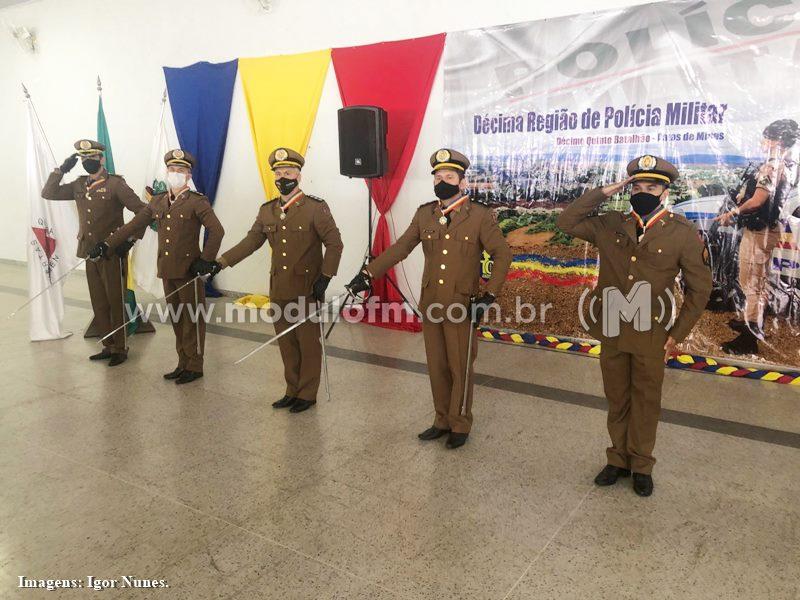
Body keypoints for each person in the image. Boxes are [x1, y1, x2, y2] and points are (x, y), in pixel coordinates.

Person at [557, 155, 711, 496]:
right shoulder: (610, 223)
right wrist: (604, 191)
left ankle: (641, 463)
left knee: (645, 399)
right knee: (617, 397)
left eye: (651, 187)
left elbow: (700, 288)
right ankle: (617, 459)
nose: (643, 192)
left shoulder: (681, 234)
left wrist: (677, 333)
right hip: (611, 326)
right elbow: (566, 221)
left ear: (665, 192)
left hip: (651, 331)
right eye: (636, 186)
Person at [348, 149, 512, 449]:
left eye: (449, 177)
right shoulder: (426, 214)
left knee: (459, 365)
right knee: (437, 364)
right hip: (432, 302)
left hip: (463, 303)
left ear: (462, 182)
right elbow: (400, 248)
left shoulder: (479, 216)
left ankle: (460, 422)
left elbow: (502, 254)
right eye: (438, 177)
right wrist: (368, 274)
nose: (442, 182)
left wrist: (489, 295)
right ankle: (441, 419)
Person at [203, 148, 343, 412]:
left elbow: (335, 244)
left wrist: (326, 276)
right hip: (278, 287)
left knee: (308, 343)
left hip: (307, 288)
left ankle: (307, 394)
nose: (283, 177)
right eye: (278, 173)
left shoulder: (315, 208)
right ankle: (292, 388)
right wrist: (221, 262)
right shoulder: (267, 210)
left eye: (288, 172)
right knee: (286, 342)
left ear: (299, 176)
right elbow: (251, 241)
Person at [91, 149, 224, 384]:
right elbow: (134, 224)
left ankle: (195, 365)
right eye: (172, 170)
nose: (175, 174)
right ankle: (183, 362)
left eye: (180, 170)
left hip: (189, 271)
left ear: (188, 175)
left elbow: (217, 230)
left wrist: (206, 259)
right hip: (167, 270)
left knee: (192, 319)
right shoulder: (159, 201)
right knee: (177, 318)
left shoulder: (196, 201)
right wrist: (107, 244)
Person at [42, 139, 146, 366]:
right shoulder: (79, 184)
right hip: (90, 251)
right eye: (83, 158)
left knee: (115, 300)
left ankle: (120, 347)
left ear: (102, 158)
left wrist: (129, 240)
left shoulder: (116, 184)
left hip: (112, 252)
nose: (88, 162)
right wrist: (61, 169)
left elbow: (143, 212)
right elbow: (48, 193)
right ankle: (108, 344)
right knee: (99, 301)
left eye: (92, 158)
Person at [716, 119, 800, 355]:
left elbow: (758, 200)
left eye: (766, 137)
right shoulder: (787, 164)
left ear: (778, 141)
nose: (762, 142)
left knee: (751, 283)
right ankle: (749, 320)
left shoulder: (772, 167)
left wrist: (733, 212)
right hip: (766, 230)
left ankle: (749, 337)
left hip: (759, 232)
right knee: (756, 280)